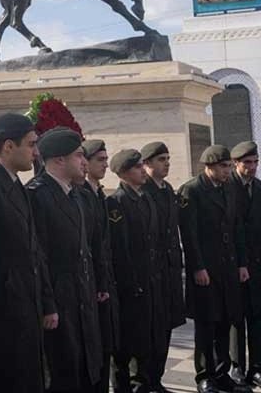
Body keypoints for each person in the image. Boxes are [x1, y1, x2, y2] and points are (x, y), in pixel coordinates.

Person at [0, 113, 47, 393]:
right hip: (5, 312)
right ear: (9, 147)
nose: (36, 152)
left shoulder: (14, 183)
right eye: (31, 144)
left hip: (26, 304)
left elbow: (32, 248)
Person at [27, 128, 104, 393]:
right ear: (59, 160)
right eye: (79, 156)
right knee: (64, 369)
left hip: (81, 295)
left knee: (86, 365)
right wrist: (49, 304)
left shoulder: (77, 195)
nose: (85, 162)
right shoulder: (37, 195)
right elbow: (39, 257)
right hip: (59, 300)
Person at [178, 145, 251, 393]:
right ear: (209, 167)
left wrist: (242, 263)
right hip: (206, 269)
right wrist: (197, 267)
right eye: (224, 166)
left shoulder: (230, 187)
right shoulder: (193, 190)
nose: (228, 171)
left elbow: (237, 227)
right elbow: (190, 234)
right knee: (206, 324)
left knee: (226, 321)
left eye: (229, 166)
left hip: (228, 268)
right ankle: (205, 375)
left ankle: (222, 373)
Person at [105, 148, 166, 393]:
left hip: (150, 281)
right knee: (127, 343)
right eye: (138, 167)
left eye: (143, 165)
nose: (143, 170)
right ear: (124, 172)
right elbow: (120, 249)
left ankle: (146, 382)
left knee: (147, 338)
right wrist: (132, 283)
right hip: (131, 286)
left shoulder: (145, 198)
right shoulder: (116, 202)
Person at [228, 141, 261, 391]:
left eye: (255, 162)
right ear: (236, 164)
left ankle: (258, 369)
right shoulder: (227, 187)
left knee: (257, 317)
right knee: (237, 318)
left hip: (256, 265)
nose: (252, 167)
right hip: (235, 265)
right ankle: (237, 366)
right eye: (247, 163)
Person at [140, 141, 186, 393]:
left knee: (166, 326)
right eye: (161, 159)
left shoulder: (168, 189)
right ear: (146, 164)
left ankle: (156, 378)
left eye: (168, 158)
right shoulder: (142, 191)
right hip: (152, 270)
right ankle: (145, 380)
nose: (167, 163)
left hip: (169, 269)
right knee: (150, 329)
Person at [78, 139, 118, 393]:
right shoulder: (81, 195)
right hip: (89, 283)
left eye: (106, 159)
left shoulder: (98, 193)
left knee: (106, 346)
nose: (105, 165)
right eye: (100, 160)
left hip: (103, 284)